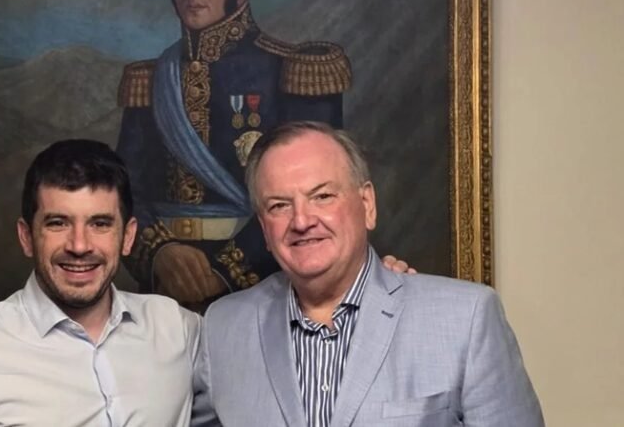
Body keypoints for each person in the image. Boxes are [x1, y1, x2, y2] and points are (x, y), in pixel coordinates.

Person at [191, 121, 544, 427]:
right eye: (279, 205)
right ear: (264, 230)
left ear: (367, 205)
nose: (301, 221)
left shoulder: (465, 319)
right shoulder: (224, 328)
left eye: (323, 196)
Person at [116, 0, 351, 309]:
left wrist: (221, 270)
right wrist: (160, 254)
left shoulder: (293, 71)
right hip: (163, 295)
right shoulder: (152, 79)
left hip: (268, 292)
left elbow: (317, 200)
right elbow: (122, 192)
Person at [0, 140, 200, 426]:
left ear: (128, 236)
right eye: (58, 223)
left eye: (100, 224)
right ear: (27, 237)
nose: (79, 245)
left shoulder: (179, 331)